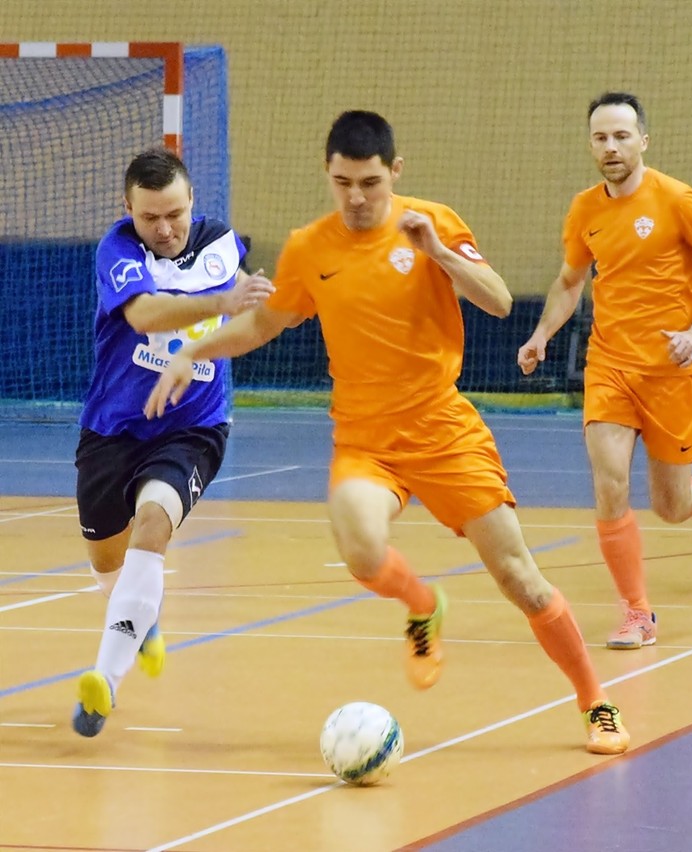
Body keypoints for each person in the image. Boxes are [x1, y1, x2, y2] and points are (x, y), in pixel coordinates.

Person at [146, 110, 630, 755]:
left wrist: (435, 252)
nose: (356, 197)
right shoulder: (311, 247)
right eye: (343, 181)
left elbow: (497, 301)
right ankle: (423, 604)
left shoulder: (431, 223)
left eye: (369, 182)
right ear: (328, 173)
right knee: (362, 551)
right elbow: (264, 324)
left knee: (521, 578)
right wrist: (190, 351)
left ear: (394, 172)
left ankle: (594, 701)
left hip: (443, 430)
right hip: (365, 441)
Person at [518, 92, 692, 650]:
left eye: (622, 136)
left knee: (671, 506)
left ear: (643, 140)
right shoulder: (584, 209)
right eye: (601, 137)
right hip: (610, 365)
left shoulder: (678, 200)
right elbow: (571, 281)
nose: (611, 146)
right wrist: (542, 334)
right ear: (591, 145)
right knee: (610, 482)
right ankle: (638, 613)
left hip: (673, 370)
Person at [72, 147, 274, 736]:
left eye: (175, 215)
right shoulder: (118, 250)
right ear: (127, 209)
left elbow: (255, 310)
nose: (164, 229)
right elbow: (145, 315)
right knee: (110, 566)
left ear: (192, 203)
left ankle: (101, 686)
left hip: (194, 426)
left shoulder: (220, 245)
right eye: (150, 218)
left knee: (155, 522)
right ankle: (143, 618)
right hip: (113, 429)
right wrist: (219, 304)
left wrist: (269, 305)